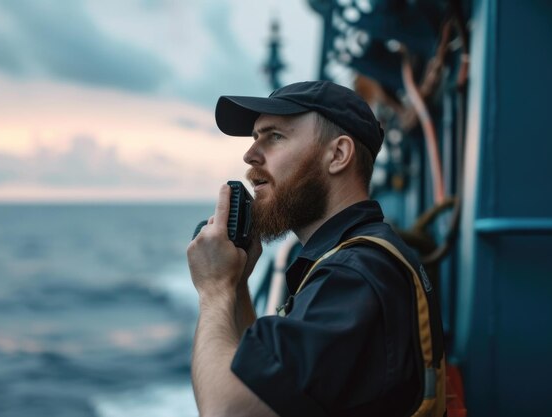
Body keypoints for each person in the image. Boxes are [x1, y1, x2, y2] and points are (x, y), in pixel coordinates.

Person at [187, 80, 445, 417]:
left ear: (337, 155)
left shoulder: (353, 276)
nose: (250, 155)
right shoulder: (351, 260)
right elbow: (266, 377)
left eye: (275, 136)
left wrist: (214, 288)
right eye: (255, 138)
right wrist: (237, 284)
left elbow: (229, 411)